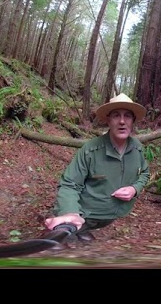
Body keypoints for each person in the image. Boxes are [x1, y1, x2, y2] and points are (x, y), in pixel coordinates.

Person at [44, 93, 150, 243]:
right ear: (108, 120)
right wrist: (71, 213)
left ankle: (82, 231)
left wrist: (134, 189)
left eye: (127, 116)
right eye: (115, 115)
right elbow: (69, 184)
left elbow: (144, 173)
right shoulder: (90, 150)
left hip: (112, 215)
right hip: (84, 214)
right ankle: (65, 228)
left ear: (133, 121)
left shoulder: (137, 148)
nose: (122, 121)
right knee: (59, 241)